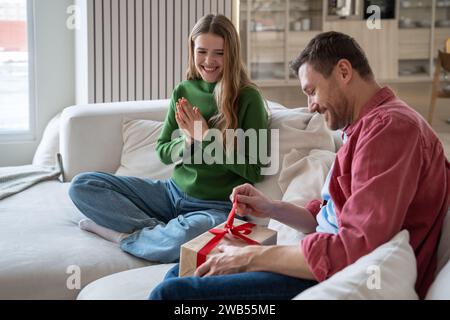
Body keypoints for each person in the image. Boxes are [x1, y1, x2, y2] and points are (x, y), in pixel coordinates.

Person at [149, 31, 450, 300]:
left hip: (329, 273)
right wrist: (271, 207)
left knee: (172, 293)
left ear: (344, 71)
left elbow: (356, 245)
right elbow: (329, 215)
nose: (311, 106)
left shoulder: (390, 129)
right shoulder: (365, 128)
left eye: (311, 91)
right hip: (320, 257)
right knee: (184, 269)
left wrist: (251, 257)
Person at [68, 14, 268, 263]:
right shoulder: (184, 90)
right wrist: (187, 141)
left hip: (216, 207)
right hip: (171, 193)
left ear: (233, 54)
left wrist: (207, 137)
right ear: (192, 50)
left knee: (187, 237)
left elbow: (254, 170)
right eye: (202, 51)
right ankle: (155, 231)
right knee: (82, 185)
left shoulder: (249, 98)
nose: (208, 61)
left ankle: (124, 237)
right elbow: (163, 150)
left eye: (219, 53)